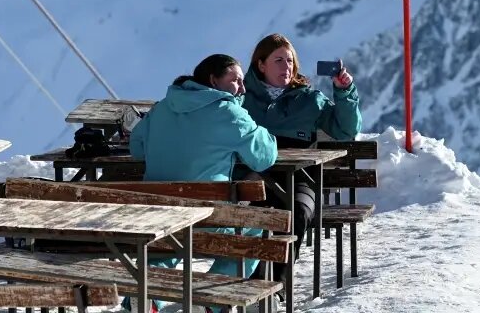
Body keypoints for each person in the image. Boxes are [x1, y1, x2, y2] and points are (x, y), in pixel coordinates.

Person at [129, 54, 277, 313]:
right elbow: (263, 157)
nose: (242, 88)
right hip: (205, 221)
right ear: (213, 80)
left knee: (168, 243)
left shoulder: (163, 107)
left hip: (159, 218)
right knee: (253, 230)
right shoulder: (228, 112)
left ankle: (148, 298)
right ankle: (210, 303)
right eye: (235, 81)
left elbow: (137, 148)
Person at [242, 33, 362, 289]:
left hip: (301, 178)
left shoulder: (309, 99)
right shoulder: (243, 100)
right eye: (278, 60)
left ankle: (272, 286)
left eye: (289, 61)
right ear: (260, 65)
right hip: (256, 176)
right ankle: (250, 285)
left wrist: (344, 92)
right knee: (253, 214)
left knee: (298, 211)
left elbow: (345, 131)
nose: (286, 67)